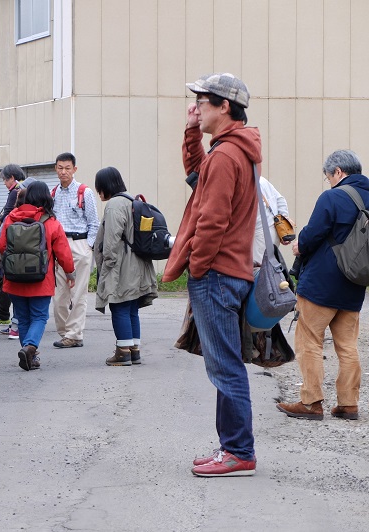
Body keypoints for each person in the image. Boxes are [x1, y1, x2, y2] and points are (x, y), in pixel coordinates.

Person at [163, 73, 261, 477]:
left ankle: (239, 451)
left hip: (217, 274)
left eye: (203, 102)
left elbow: (212, 220)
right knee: (226, 363)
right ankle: (232, 447)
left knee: (225, 367)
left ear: (224, 107)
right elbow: (196, 175)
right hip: (229, 272)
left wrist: (198, 267)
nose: (196, 107)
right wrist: (191, 131)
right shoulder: (234, 150)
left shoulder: (225, 156)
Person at [277, 150, 369, 421]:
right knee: (347, 346)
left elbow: (313, 233)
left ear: (338, 172)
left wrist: (299, 245)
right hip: (355, 283)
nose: (328, 181)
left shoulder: (333, 197)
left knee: (309, 341)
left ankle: (311, 403)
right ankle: (348, 404)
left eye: (328, 176)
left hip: (321, 283)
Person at [0, 181, 75, 371]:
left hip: (14, 278)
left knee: (23, 318)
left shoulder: (12, 218)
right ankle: (30, 347)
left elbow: (1, 245)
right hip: (41, 279)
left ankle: (29, 355)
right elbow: (63, 252)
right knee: (39, 316)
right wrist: (70, 273)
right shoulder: (50, 222)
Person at [92, 167, 158, 366]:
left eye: (99, 187)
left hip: (122, 265)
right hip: (138, 263)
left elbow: (111, 241)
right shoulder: (131, 201)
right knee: (131, 309)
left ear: (106, 186)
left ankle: (122, 353)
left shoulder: (114, 205)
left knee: (119, 306)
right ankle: (134, 350)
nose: (98, 192)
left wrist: (107, 266)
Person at [51, 152, 99, 348]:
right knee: (59, 295)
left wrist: (88, 246)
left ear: (74, 169)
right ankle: (65, 333)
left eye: (67, 168)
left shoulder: (84, 192)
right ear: (55, 169)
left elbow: (94, 223)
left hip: (79, 243)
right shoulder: (53, 193)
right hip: (59, 246)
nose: (63, 172)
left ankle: (74, 334)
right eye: (60, 168)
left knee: (78, 293)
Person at [0, 164, 25, 336]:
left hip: (12, 244)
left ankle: (7, 316)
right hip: (24, 245)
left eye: (4, 179)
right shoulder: (25, 189)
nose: (3, 183)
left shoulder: (16, 192)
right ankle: (13, 317)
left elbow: (8, 213)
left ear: (12, 178)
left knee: (8, 280)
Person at [253, 175, 293, 264]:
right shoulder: (261, 180)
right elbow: (281, 200)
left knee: (259, 268)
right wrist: (283, 224)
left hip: (258, 236)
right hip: (273, 231)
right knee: (270, 266)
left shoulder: (247, 182)